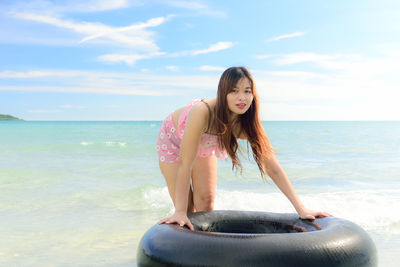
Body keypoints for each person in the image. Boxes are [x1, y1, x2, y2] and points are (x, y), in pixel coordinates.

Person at [157, 66, 332, 231]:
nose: (242, 97)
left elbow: (272, 167)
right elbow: (185, 163)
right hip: (174, 141)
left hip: (205, 143)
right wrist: (179, 211)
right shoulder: (202, 112)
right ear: (223, 92)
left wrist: (301, 209)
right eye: (234, 91)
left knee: (206, 202)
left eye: (247, 91)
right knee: (187, 209)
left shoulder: (246, 125)